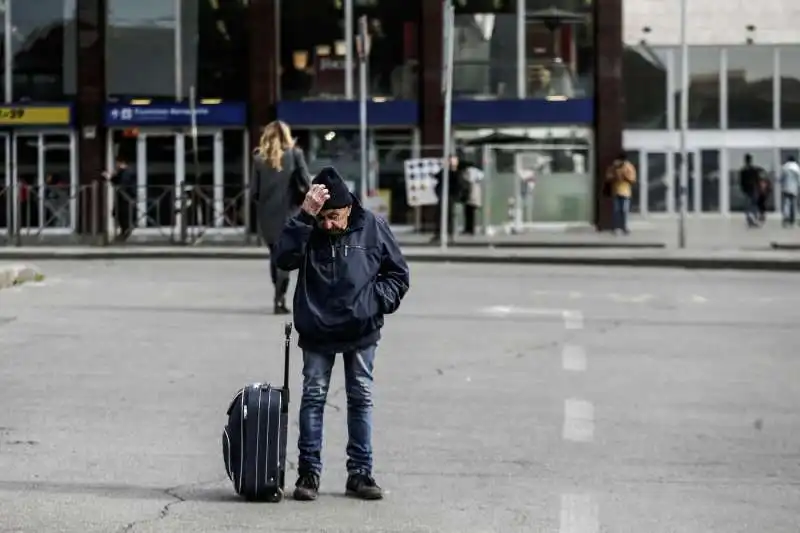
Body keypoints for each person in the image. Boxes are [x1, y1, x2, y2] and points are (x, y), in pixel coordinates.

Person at [273, 167, 410, 502]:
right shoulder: (309, 227)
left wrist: (376, 302)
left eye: (335, 217)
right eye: (324, 218)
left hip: (362, 328)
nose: (330, 225)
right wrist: (306, 216)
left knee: (360, 397)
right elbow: (283, 258)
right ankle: (309, 473)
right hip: (318, 329)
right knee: (314, 397)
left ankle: (360, 473)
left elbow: (398, 274)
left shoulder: (373, 227)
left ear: (349, 207)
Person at [250, 120, 310, 315]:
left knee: (275, 256)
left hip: (267, 217)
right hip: (290, 213)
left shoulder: (259, 159)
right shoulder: (295, 155)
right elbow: (306, 183)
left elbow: (254, 193)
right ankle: (279, 298)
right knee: (285, 256)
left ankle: (279, 294)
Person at [431, 153, 469, 242]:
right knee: (439, 215)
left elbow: (460, 184)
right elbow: (437, 176)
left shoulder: (457, 172)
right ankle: (439, 233)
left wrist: (458, 196)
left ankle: (449, 233)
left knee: (449, 216)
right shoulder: (444, 171)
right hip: (443, 196)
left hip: (451, 196)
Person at [105, 156, 136, 242]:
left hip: (125, 197)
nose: (116, 165)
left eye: (117, 163)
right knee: (116, 213)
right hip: (122, 197)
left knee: (122, 214)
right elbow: (115, 181)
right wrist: (110, 177)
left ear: (121, 163)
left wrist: (113, 178)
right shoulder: (121, 172)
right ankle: (124, 231)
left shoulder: (127, 172)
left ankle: (126, 230)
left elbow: (123, 184)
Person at [604, 152, 637, 234]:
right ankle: (616, 227)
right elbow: (608, 177)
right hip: (616, 191)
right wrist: (615, 174)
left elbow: (632, 179)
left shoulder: (629, 167)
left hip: (625, 192)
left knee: (624, 210)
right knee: (616, 210)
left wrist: (624, 175)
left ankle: (624, 227)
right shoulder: (613, 167)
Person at [739, 154, 764, 228]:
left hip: (747, 189)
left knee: (748, 205)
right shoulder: (754, 170)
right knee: (754, 205)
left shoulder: (743, 170)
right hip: (753, 189)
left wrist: (742, 189)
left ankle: (750, 220)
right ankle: (754, 219)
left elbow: (741, 181)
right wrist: (759, 188)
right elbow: (757, 180)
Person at [779, 155, 800, 227]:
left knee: (786, 203)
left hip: (786, 188)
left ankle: (786, 217)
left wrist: (781, 183)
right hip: (794, 188)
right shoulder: (797, 168)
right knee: (794, 204)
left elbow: (781, 178)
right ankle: (793, 219)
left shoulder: (785, 167)